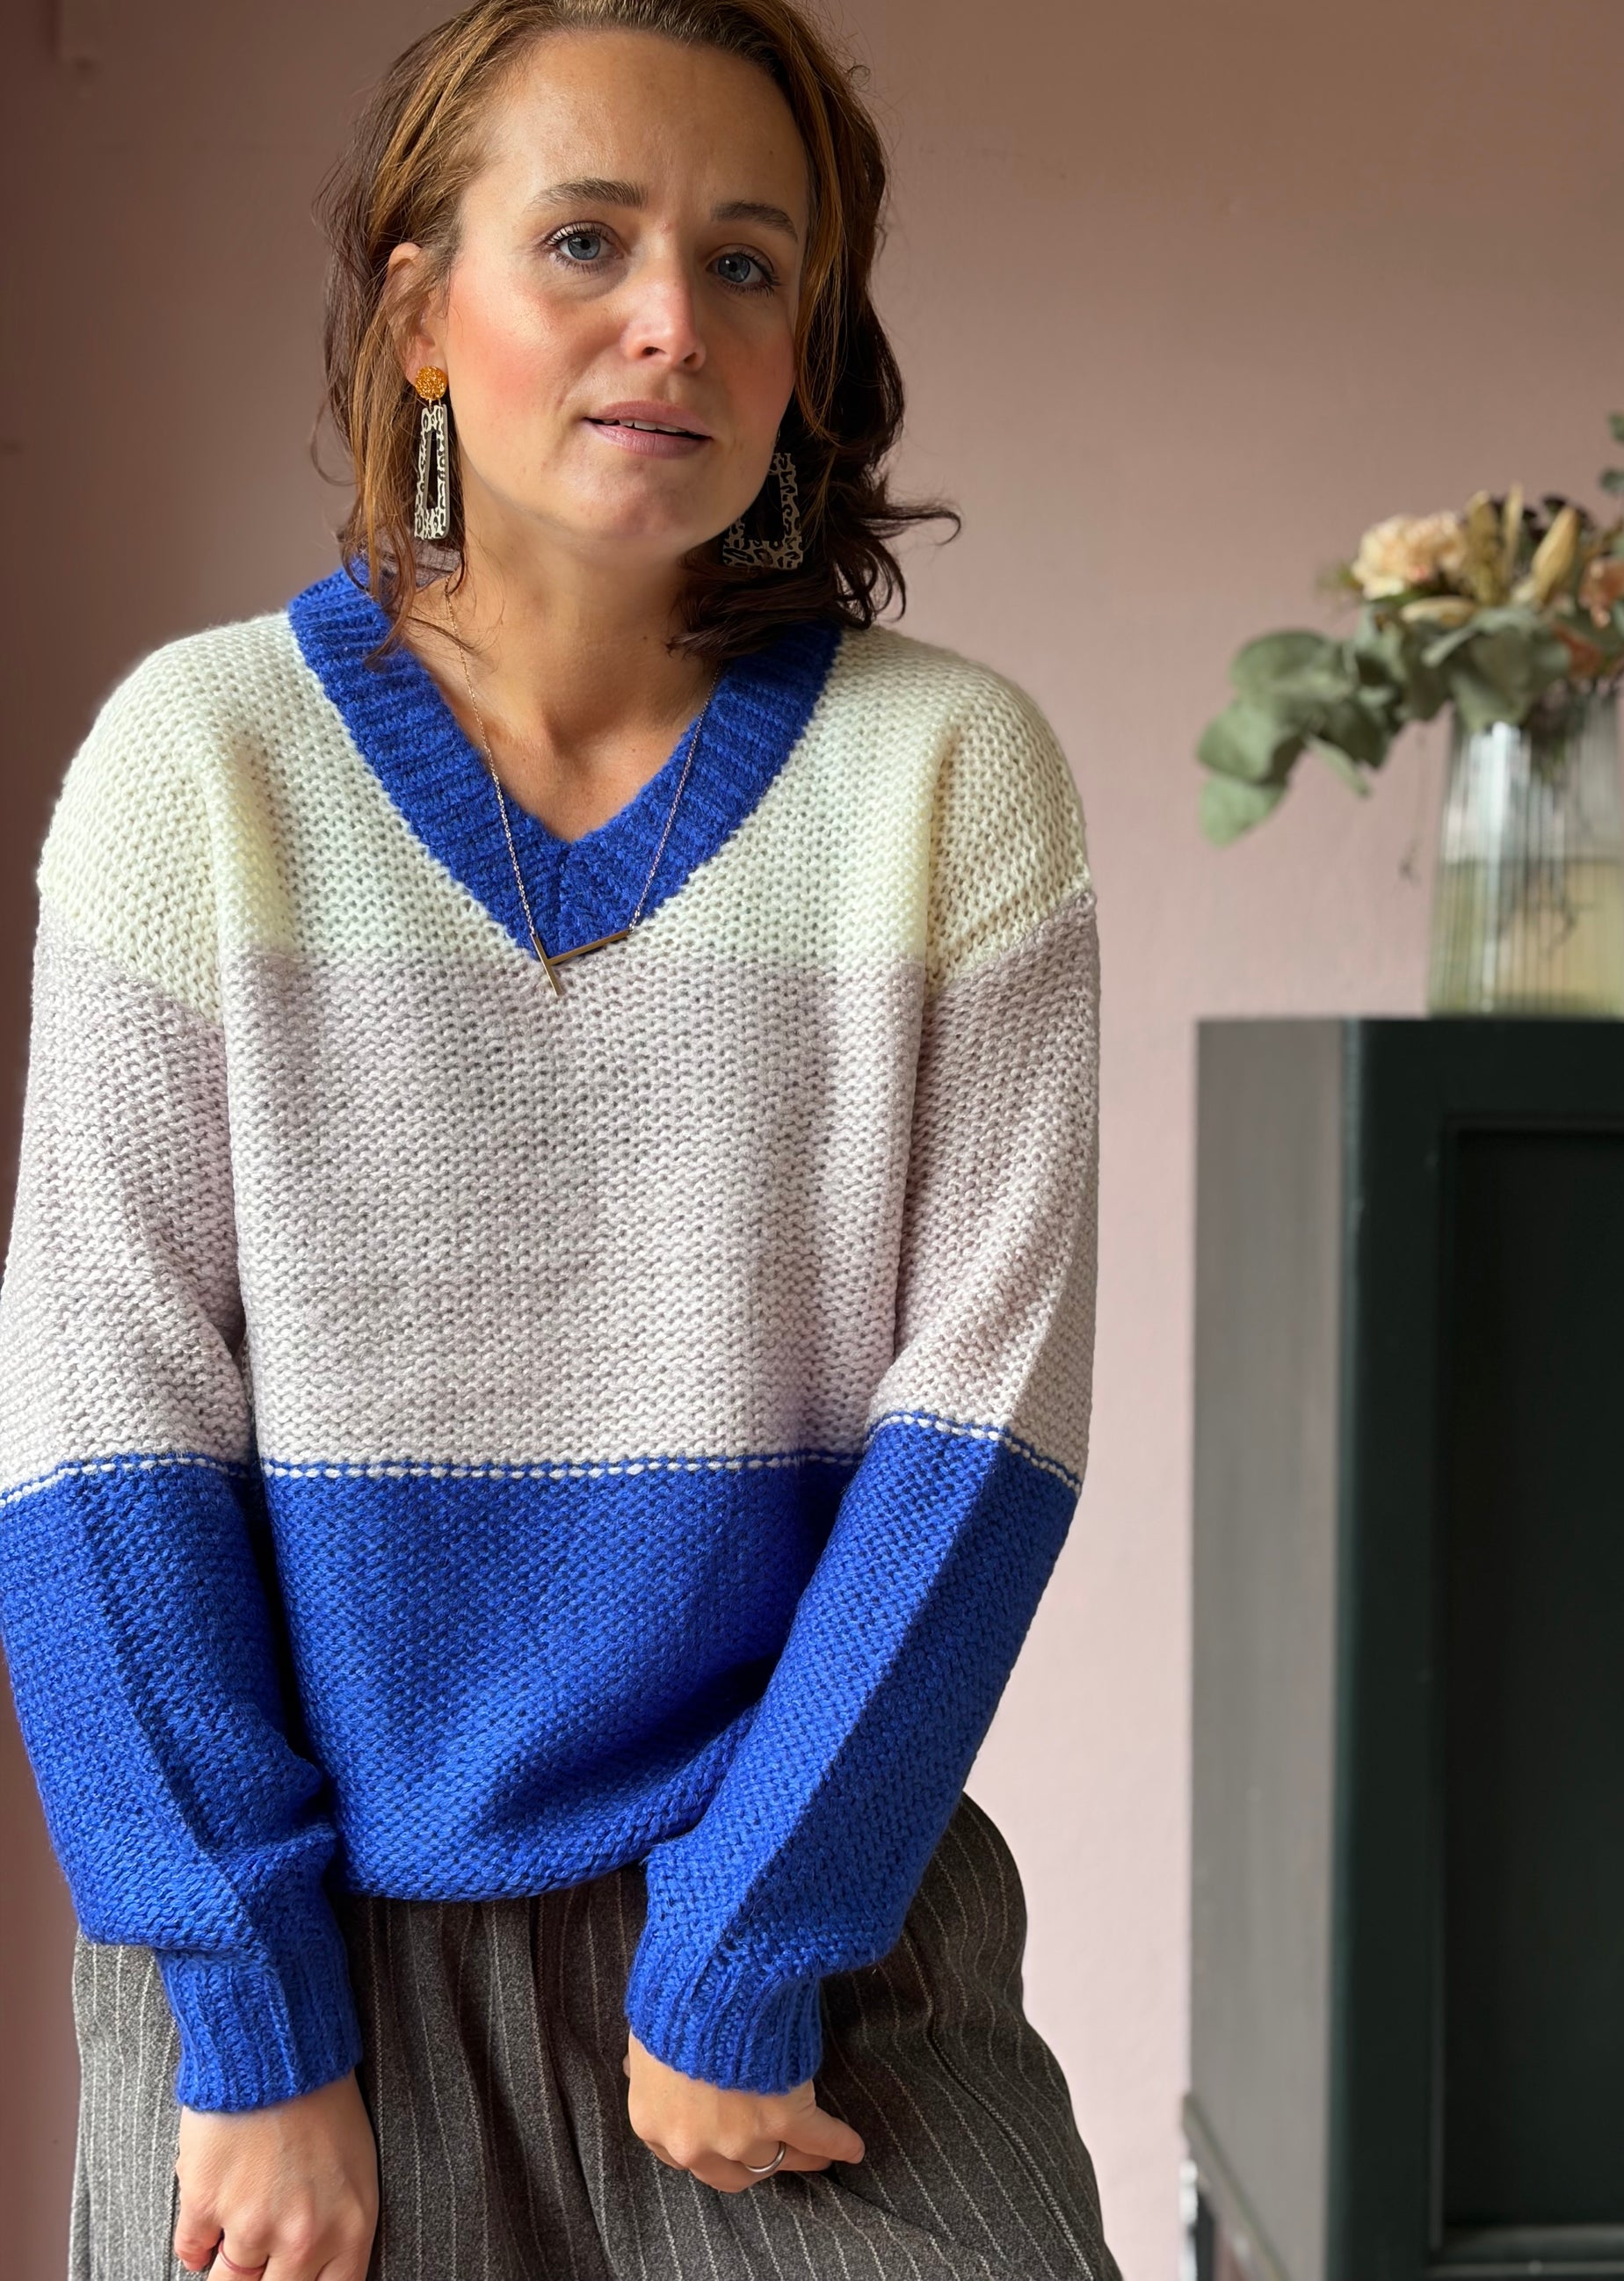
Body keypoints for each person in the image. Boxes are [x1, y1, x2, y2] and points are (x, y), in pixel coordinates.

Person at [0, 2, 1112, 2275]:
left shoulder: (949, 781)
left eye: (745, 264)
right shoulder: (196, 765)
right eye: (587, 240)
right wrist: (249, 2014)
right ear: (422, 311)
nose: (668, 321)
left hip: (805, 1931)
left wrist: (748, 1937)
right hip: (292, 1977)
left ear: (805, 348)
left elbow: (983, 1421)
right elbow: (102, 1418)